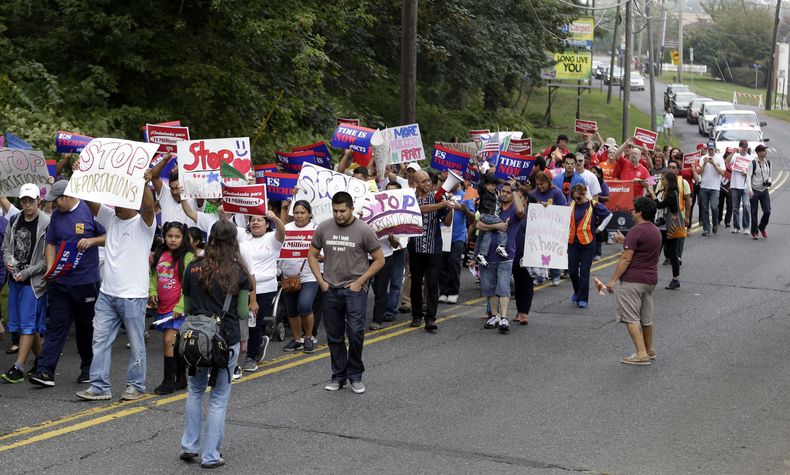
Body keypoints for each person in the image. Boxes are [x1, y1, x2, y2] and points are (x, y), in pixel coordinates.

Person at [76, 171, 157, 401]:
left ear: (133, 203)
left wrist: (144, 183)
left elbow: (149, 207)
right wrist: (82, 175)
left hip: (133, 296)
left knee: (136, 344)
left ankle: (136, 385)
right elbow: (92, 203)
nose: (118, 207)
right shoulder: (111, 218)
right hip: (107, 294)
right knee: (99, 339)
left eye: (123, 202)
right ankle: (99, 386)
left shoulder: (144, 224)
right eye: (116, 203)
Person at [180, 220, 252, 469]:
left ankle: (189, 445)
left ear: (210, 238)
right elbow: (243, 312)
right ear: (233, 241)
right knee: (219, 397)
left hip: (197, 338)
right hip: (224, 338)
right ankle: (210, 455)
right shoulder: (239, 271)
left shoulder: (194, 266)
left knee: (195, 390)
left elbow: (187, 307)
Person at [30, 180, 106, 388]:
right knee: (56, 326)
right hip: (60, 282)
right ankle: (45, 371)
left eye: (56, 201)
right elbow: (51, 242)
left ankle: (88, 369)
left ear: (66, 196)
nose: (53, 206)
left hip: (85, 282)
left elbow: (110, 236)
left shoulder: (89, 210)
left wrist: (92, 241)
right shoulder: (56, 216)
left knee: (85, 328)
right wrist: (50, 269)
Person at [308, 192, 384, 394]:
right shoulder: (324, 227)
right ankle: (339, 376)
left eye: (342, 211)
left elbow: (379, 259)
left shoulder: (364, 230)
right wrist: (321, 282)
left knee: (356, 334)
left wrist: (360, 282)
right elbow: (312, 255)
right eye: (335, 210)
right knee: (334, 336)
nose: (339, 215)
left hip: (354, 291)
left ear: (351, 209)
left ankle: (356, 376)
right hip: (331, 290)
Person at [1, 184, 50, 383]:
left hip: (34, 283)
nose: (27, 204)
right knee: (26, 325)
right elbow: (6, 248)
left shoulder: (46, 223)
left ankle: (19, 367)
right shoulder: (14, 220)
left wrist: (26, 272)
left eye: (31, 200)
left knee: (28, 325)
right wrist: (10, 263)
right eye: (24, 200)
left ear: (39, 200)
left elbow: (47, 259)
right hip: (16, 279)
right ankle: (42, 362)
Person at [606, 197, 662, 366]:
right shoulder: (655, 231)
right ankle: (649, 349)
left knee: (631, 318)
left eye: (634, 209)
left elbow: (626, 259)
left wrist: (613, 280)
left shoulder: (636, 231)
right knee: (646, 318)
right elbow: (643, 249)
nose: (631, 211)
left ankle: (641, 354)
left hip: (633, 280)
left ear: (640, 212)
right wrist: (625, 241)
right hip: (650, 280)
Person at [149, 221, 194, 394]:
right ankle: (181, 378)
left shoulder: (188, 257)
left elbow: (190, 285)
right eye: (169, 236)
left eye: (177, 236)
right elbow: (152, 274)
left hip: (178, 308)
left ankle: (168, 381)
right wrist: (152, 291)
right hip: (163, 306)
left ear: (183, 238)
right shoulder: (158, 254)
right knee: (176, 344)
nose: (173, 240)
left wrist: (181, 306)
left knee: (169, 341)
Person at [407, 171, 453, 331]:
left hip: (434, 248)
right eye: (424, 181)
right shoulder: (410, 198)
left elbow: (447, 223)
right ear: (415, 183)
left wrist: (450, 207)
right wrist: (441, 205)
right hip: (415, 247)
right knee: (416, 283)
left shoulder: (437, 197)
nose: (428, 183)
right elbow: (419, 209)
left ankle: (431, 318)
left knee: (433, 284)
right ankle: (416, 315)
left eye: (428, 180)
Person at [479, 180, 525, 333]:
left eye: (508, 192)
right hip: (487, 254)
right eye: (503, 191)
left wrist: (515, 189)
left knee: (503, 286)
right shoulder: (493, 206)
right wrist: (496, 226)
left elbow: (520, 212)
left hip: (506, 253)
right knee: (489, 287)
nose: (504, 194)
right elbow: (479, 224)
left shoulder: (514, 209)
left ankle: (504, 318)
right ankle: (495, 316)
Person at [280, 201, 320, 351]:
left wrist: (320, 257)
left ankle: (308, 337)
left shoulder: (316, 229)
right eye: (296, 212)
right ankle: (297, 339)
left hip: (309, 276)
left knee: (305, 305)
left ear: (309, 214)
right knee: (291, 310)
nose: (299, 216)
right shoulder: (285, 229)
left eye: (302, 212)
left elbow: (324, 250)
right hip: (288, 277)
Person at [566, 184, 612, 309]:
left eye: (579, 198)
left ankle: (583, 299)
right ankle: (577, 292)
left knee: (584, 273)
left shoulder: (593, 204)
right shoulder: (570, 205)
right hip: (572, 243)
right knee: (572, 271)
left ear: (584, 194)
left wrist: (600, 228)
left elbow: (609, 215)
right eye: (574, 198)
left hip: (588, 243)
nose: (576, 200)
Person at [439, 181, 475, 304]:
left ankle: (453, 291)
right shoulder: (442, 194)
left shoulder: (465, 196)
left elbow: (472, 218)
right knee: (443, 263)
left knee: (454, 262)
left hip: (458, 236)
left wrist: (465, 210)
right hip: (444, 234)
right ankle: (444, 291)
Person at [647, 172, 682, 289]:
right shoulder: (662, 192)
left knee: (672, 254)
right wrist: (648, 184)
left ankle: (675, 279)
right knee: (654, 253)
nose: (661, 181)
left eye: (663, 179)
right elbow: (652, 200)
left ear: (669, 181)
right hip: (660, 228)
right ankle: (649, 279)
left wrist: (652, 192)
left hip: (670, 228)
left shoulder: (672, 195)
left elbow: (659, 205)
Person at [512, 191, 539, 325]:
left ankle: (525, 312)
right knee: (518, 283)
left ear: (526, 199)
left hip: (529, 253)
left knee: (527, 282)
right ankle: (519, 311)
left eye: (520, 197)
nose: (517, 199)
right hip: (514, 252)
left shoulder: (532, 212)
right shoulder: (513, 211)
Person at [471, 172, 507, 266]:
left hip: (492, 216)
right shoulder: (484, 192)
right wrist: (483, 175)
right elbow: (481, 183)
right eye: (490, 185)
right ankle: (501, 245)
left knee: (487, 234)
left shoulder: (495, 194)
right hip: (486, 215)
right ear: (485, 184)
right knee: (502, 225)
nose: (492, 187)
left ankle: (481, 255)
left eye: (493, 185)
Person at [695, 141, 725, 236]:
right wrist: (704, 164)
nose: (710, 151)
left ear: (715, 149)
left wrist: (714, 164)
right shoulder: (703, 158)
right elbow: (698, 172)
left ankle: (715, 223)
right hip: (704, 187)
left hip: (715, 188)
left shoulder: (719, 159)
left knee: (714, 206)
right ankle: (706, 228)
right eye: (709, 149)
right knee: (704, 208)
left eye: (712, 149)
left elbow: (723, 172)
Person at [727, 140, 753, 234]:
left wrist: (746, 173)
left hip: (745, 186)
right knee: (735, 207)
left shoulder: (750, 158)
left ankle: (746, 227)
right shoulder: (735, 156)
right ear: (740, 147)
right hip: (735, 185)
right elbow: (727, 162)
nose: (745, 149)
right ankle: (736, 227)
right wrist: (733, 152)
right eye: (743, 147)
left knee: (746, 205)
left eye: (746, 147)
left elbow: (752, 173)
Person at [749, 144, 772, 239]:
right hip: (755, 190)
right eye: (763, 151)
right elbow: (747, 177)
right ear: (758, 153)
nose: (765, 152)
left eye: (765, 151)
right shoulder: (753, 163)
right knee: (754, 212)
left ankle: (762, 227)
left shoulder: (768, 162)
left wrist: (769, 181)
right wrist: (749, 190)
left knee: (767, 211)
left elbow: (770, 175)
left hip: (764, 190)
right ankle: (754, 233)